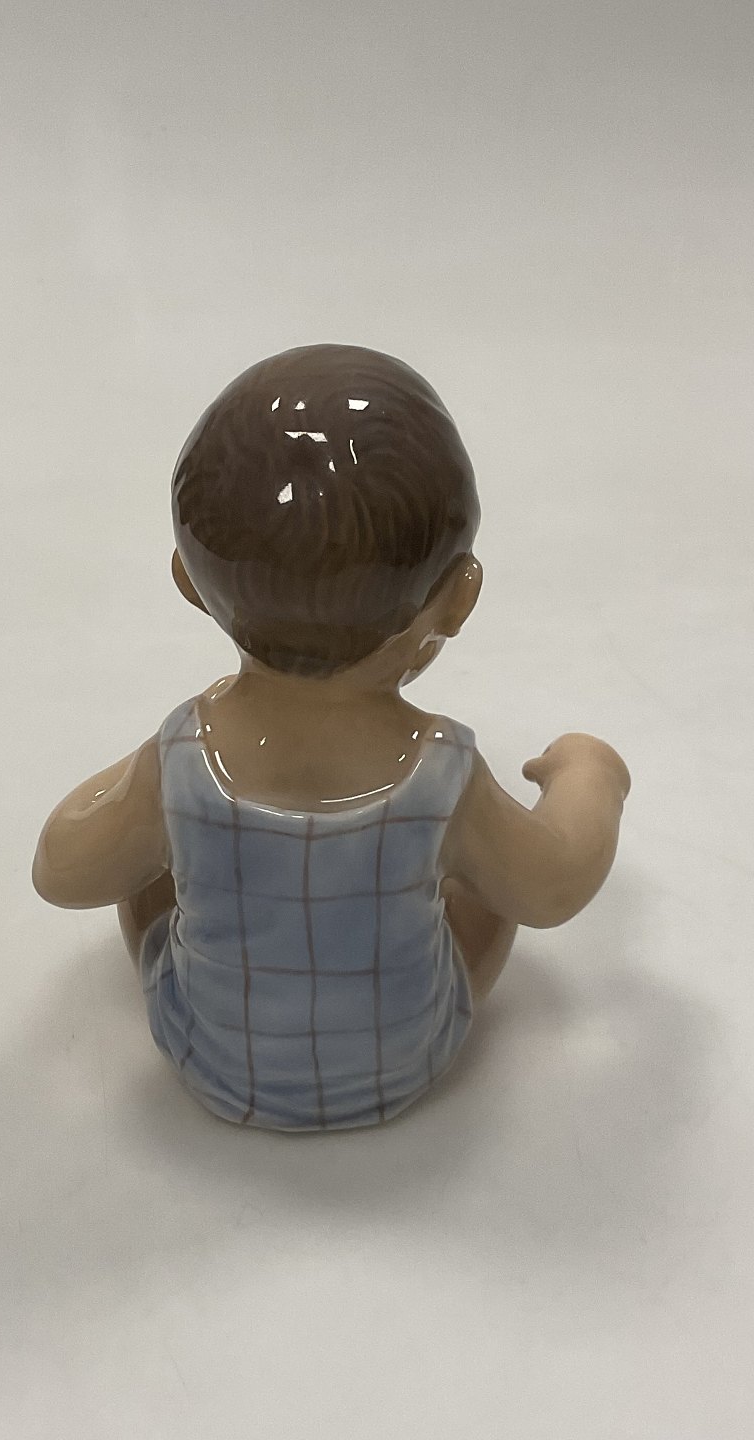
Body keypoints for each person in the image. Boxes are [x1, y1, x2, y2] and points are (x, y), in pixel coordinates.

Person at [33, 344, 630, 1130]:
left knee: (143, 879)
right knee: (486, 891)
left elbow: (60, 871)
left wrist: (155, 768)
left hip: (208, 1062)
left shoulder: (180, 758)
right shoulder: (446, 773)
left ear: (188, 582)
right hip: (407, 1064)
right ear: (460, 598)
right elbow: (552, 886)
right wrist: (591, 774)